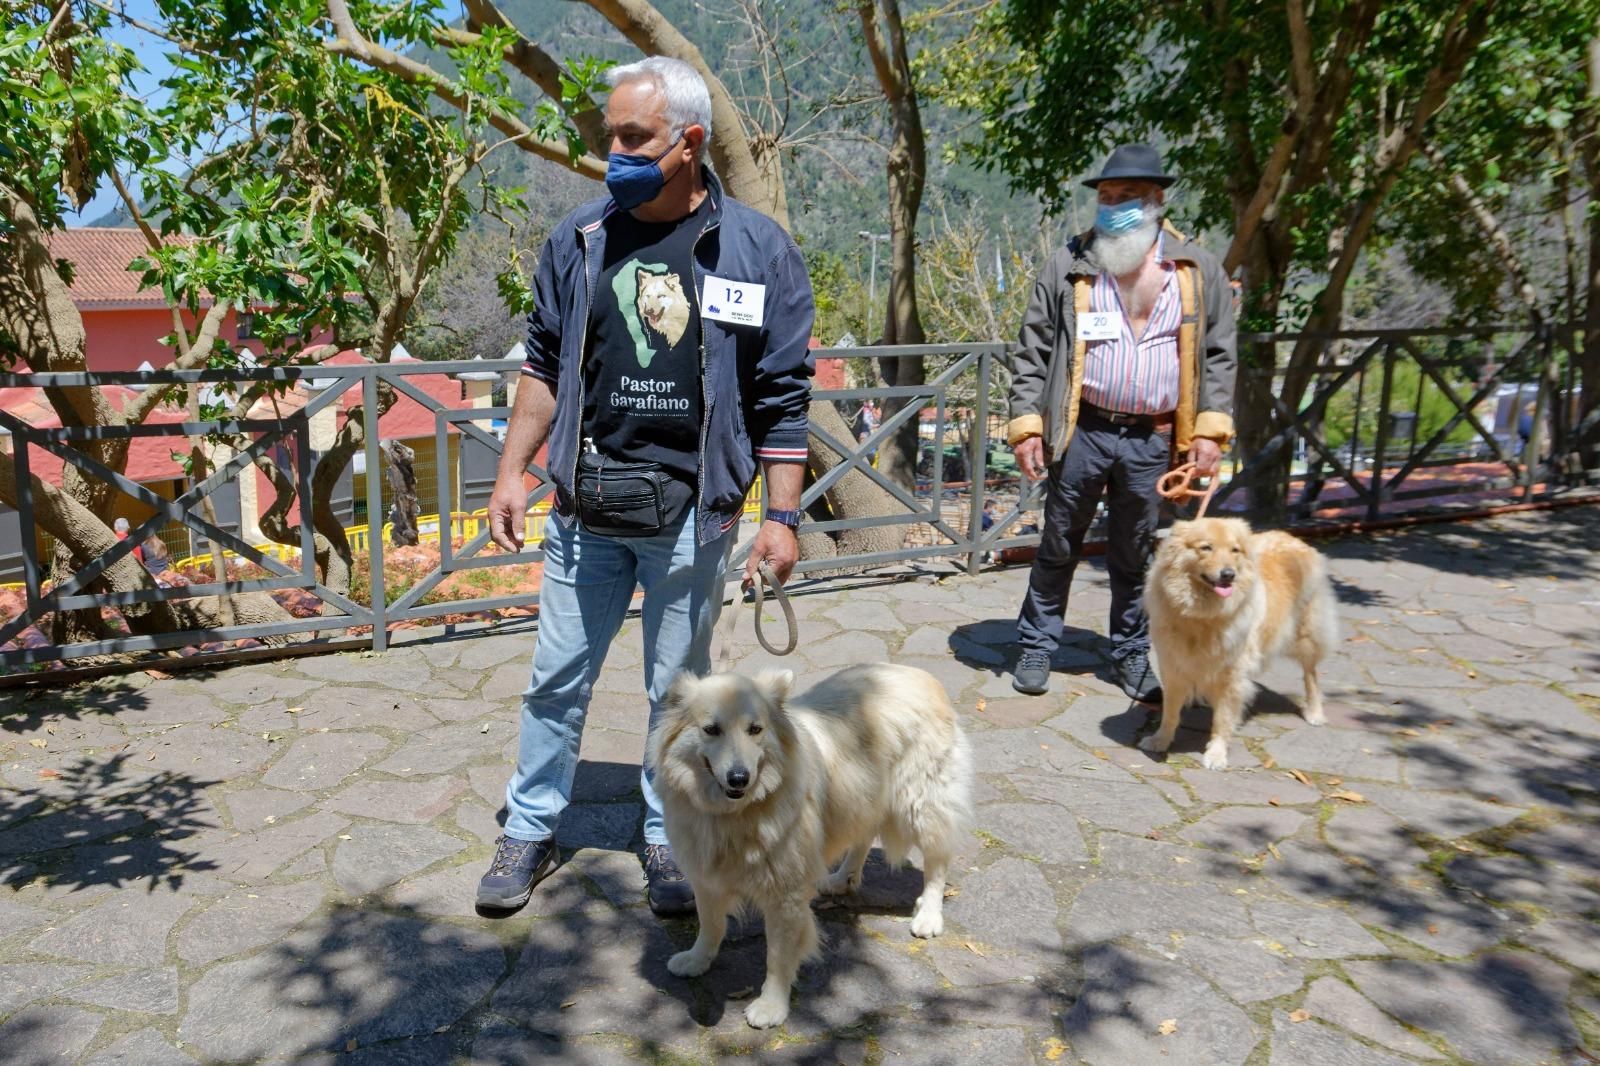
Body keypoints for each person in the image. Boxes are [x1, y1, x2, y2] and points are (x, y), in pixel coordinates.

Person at [477, 57, 815, 916]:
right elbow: (545, 366)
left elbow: (782, 393)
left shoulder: (755, 249)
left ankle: (668, 834)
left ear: (690, 143)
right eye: (611, 137)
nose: (614, 155)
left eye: (634, 138)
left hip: (693, 519)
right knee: (555, 681)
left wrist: (780, 516)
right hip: (585, 512)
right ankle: (530, 823)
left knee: (681, 694)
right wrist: (513, 469)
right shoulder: (582, 240)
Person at [1004, 143, 1237, 701]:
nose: (1112, 208)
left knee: (1136, 551)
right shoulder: (1071, 263)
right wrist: (1027, 423)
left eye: (1126, 198)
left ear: (1156, 201)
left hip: (1154, 436)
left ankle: (1131, 652)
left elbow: (1220, 354)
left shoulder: (1196, 269)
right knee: (1059, 540)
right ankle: (1037, 643)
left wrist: (1208, 432)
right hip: (1082, 429)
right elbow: (1032, 346)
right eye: (1105, 198)